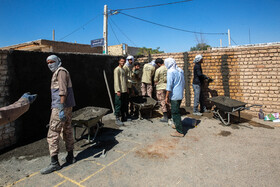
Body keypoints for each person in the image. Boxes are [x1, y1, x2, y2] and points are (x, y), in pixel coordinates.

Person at [41, 55, 76, 174]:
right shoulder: (60, 71)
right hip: (67, 106)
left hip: (60, 106)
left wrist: (60, 108)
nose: (50, 64)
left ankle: (54, 163)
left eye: (52, 62)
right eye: (48, 62)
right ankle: (70, 156)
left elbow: (62, 91)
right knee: (67, 130)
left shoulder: (60, 72)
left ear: (58, 61)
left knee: (53, 133)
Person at [165, 58, 185, 137]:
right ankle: (177, 125)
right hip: (180, 94)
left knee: (175, 112)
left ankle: (179, 131)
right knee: (176, 110)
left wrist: (166, 97)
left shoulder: (170, 71)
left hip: (174, 95)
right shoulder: (180, 70)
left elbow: (169, 85)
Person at [114, 57, 129, 125]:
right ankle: (117, 119)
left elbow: (124, 80)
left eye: (124, 61)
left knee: (123, 104)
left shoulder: (123, 69)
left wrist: (127, 88)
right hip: (119, 90)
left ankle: (123, 117)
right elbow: (116, 81)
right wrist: (118, 90)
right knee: (118, 104)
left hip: (124, 90)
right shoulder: (117, 70)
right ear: (119, 62)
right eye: (121, 61)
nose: (123, 62)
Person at [154, 58, 169, 122]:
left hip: (160, 87)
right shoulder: (168, 69)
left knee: (162, 101)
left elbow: (155, 79)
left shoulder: (158, 70)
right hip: (167, 87)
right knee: (167, 100)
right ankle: (169, 114)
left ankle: (165, 117)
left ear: (158, 64)